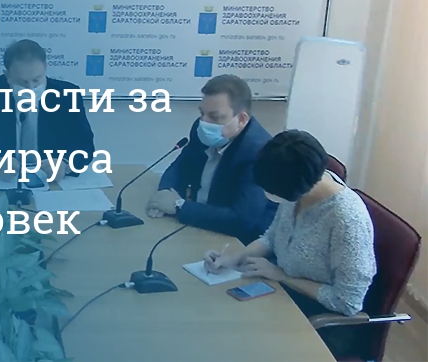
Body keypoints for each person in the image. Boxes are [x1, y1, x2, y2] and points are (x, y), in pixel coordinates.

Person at [204, 130, 376, 358]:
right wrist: (235, 258)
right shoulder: (299, 183)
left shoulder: (347, 220)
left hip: (320, 323)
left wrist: (282, 276)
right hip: (281, 295)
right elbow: (272, 237)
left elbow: (347, 302)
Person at [146, 74, 275, 245]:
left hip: (238, 242)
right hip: (197, 226)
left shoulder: (260, 153)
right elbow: (179, 167)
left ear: (241, 119)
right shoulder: (201, 130)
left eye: (215, 117)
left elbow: (242, 220)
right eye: (202, 113)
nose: (204, 122)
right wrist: (165, 194)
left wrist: (178, 206)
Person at [0, 39, 95, 181]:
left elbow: (85, 145)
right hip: (0, 182)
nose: (30, 88)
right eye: (22, 82)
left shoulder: (67, 95)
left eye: (37, 80)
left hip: (50, 183)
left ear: (45, 68)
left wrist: (65, 163)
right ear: (7, 75)